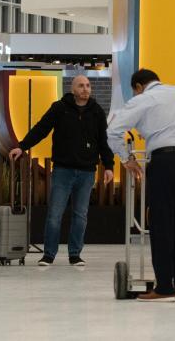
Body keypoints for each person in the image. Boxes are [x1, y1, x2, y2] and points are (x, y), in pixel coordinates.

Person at [106, 69, 175, 302]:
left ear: (138, 86)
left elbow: (113, 130)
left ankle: (165, 287)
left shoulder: (142, 99)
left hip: (165, 161)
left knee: (161, 223)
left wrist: (126, 158)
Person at [9, 75, 113, 267]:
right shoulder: (60, 108)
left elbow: (103, 141)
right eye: (81, 86)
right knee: (55, 214)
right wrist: (22, 146)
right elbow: (41, 129)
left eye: (88, 86)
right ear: (73, 89)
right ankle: (49, 254)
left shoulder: (97, 111)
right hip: (63, 170)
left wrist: (109, 166)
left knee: (80, 215)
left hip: (87, 171)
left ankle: (75, 254)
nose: (85, 89)